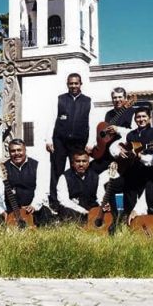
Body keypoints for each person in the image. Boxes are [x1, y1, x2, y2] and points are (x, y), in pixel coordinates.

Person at [109, 105, 153, 217]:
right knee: (124, 198)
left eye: (144, 116)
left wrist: (141, 157)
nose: (141, 119)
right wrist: (119, 153)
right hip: (130, 173)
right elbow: (113, 146)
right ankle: (120, 221)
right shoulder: (130, 134)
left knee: (148, 202)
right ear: (135, 119)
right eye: (138, 117)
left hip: (148, 175)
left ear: (149, 118)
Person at [46, 73, 91, 209]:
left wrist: (91, 143)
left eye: (76, 83)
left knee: (77, 170)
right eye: (71, 83)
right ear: (67, 84)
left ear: (80, 84)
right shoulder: (60, 99)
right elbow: (51, 119)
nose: (73, 86)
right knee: (56, 171)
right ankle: (55, 202)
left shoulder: (88, 101)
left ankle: (76, 201)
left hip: (79, 141)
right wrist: (49, 139)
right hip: (60, 140)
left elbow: (92, 122)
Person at [0, 139, 52, 226]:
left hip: (31, 209)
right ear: (9, 152)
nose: (16, 153)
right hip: (11, 209)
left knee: (46, 215)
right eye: (13, 151)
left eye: (19, 150)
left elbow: (42, 189)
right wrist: (3, 211)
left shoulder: (36, 165)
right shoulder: (3, 168)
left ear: (25, 150)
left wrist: (34, 206)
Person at [55, 149, 111, 222]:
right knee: (67, 213)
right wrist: (83, 211)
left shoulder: (95, 177)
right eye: (78, 161)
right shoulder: (64, 177)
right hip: (74, 210)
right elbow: (64, 201)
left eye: (84, 161)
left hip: (92, 209)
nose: (81, 164)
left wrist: (104, 205)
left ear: (88, 163)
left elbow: (100, 196)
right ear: (72, 163)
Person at [89, 87, 134, 174]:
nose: (117, 100)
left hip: (122, 153)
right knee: (90, 169)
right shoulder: (109, 114)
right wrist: (94, 145)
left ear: (125, 98)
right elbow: (104, 134)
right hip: (106, 153)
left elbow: (135, 133)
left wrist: (118, 129)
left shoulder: (133, 113)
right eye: (115, 97)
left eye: (120, 97)